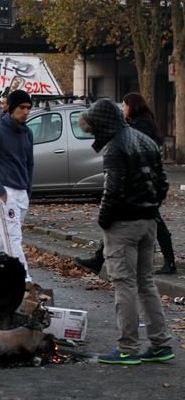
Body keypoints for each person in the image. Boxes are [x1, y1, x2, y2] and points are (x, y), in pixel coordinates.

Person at [78, 98, 174, 364]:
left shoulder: (115, 148)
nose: (93, 132)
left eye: (94, 126)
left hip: (123, 224)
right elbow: (163, 182)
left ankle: (127, 348)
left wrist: (104, 220)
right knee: (146, 284)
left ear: (103, 123)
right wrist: (151, 207)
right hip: (148, 221)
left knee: (125, 285)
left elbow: (113, 190)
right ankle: (161, 343)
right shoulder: (144, 140)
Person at [76, 92, 178, 275]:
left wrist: (104, 218)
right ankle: (99, 260)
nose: (123, 109)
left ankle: (169, 261)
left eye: (124, 105)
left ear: (132, 106)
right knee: (145, 280)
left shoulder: (137, 130)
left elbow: (113, 189)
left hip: (139, 190)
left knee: (128, 279)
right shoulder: (141, 125)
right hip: (144, 191)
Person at [0, 89, 34, 283]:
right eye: (22, 107)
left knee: (3, 235)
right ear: (12, 108)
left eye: (28, 107)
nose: (26, 111)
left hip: (21, 191)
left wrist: (28, 190)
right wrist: (1, 192)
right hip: (4, 189)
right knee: (13, 235)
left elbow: (29, 164)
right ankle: (23, 278)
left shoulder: (28, 133)